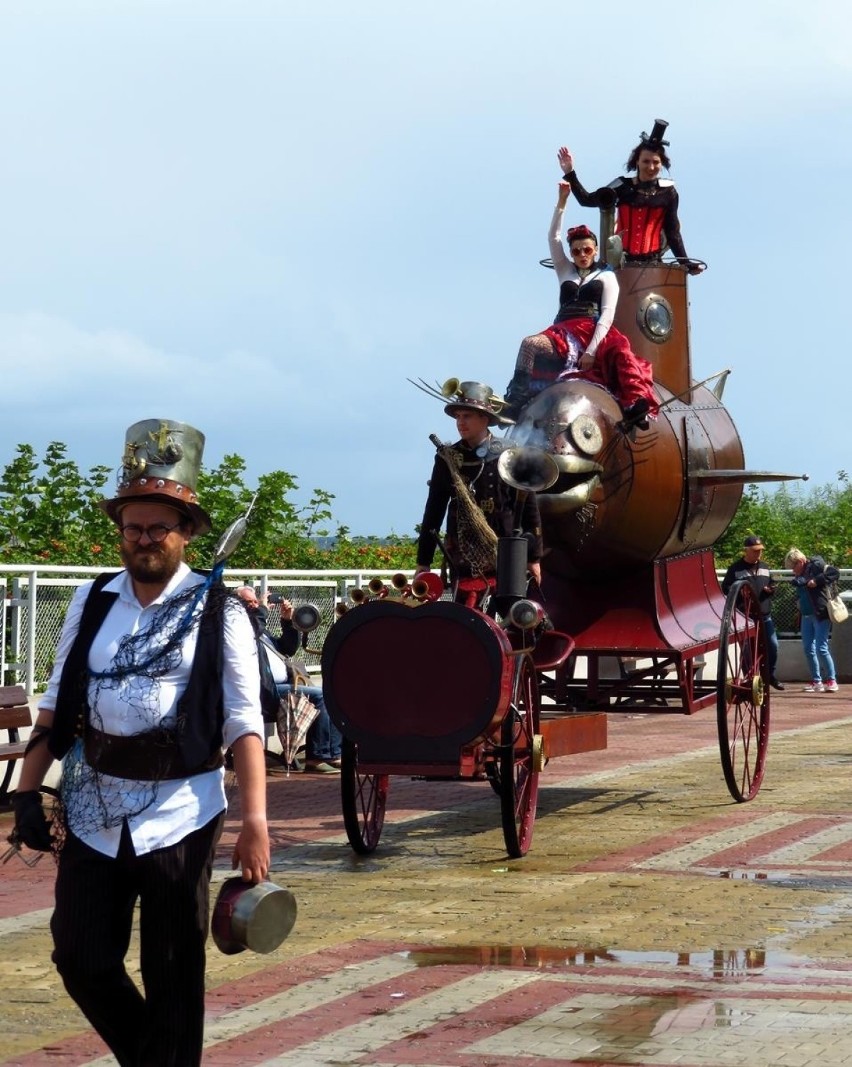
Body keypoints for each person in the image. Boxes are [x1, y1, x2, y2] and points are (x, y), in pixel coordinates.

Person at [11, 418, 270, 1067]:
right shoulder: (93, 597)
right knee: (80, 955)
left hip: (182, 810)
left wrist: (256, 821)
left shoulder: (222, 610)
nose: (144, 538)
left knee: (173, 970)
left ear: (186, 533)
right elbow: (57, 699)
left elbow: (243, 721)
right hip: (94, 807)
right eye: (133, 527)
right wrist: (24, 794)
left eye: (158, 527)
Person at [503, 180, 658, 426]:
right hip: (562, 332)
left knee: (621, 352)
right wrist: (562, 202)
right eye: (576, 251)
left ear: (595, 249)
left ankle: (633, 405)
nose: (582, 255)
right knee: (529, 344)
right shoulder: (565, 270)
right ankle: (516, 401)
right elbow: (553, 237)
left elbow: (607, 314)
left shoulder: (607, 276)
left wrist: (591, 351)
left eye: (586, 250)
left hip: (594, 331)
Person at [415, 382, 543, 609]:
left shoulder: (509, 453)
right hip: (463, 557)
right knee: (464, 622)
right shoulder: (447, 458)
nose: (460, 423)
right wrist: (423, 562)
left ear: (485, 419)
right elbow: (433, 511)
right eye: (458, 416)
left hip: (505, 553)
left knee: (515, 619)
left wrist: (533, 557)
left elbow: (529, 508)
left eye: (467, 416)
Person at [558, 118, 704, 274]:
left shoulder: (668, 192)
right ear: (637, 162)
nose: (651, 167)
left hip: (653, 264)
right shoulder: (622, 186)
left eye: (656, 162)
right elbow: (586, 200)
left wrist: (686, 263)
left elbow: (672, 232)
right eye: (646, 161)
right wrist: (570, 173)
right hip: (621, 264)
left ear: (662, 164)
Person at [235, 586, 342, 773]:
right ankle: (317, 758)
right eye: (248, 602)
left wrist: (287, 621)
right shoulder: (239, 628)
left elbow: (288, 648)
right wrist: (263, 608)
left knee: (333, 692)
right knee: (322, 696)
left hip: (281, 687)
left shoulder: (261, 630)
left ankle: (333, 754)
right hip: (264, 691)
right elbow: (252, 629)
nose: (254, 605)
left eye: (255, 602)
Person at [721, 535, 784, 691]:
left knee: (773, 645)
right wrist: (740, 593)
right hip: (745, 617)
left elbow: (772, 583)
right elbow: (726, 588)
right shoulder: (735, 569)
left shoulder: (765, 567)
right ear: (746, 551)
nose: (758, 554)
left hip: (764, 615)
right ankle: (750, 680)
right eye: (755, 551)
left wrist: (771, 589)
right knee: (747, 650)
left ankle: (769, 676)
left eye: (760, 551)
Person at [785, 548, 840, 693]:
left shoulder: (815, 566)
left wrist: (816, 581)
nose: (792, 571)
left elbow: (834, 573)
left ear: (801, 562)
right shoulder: (800, 575)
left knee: (821, 647)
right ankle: (817, 681)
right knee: (808, 648)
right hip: (806, 615)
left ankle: (831, 679)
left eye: (793, 567)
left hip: (820, 613)